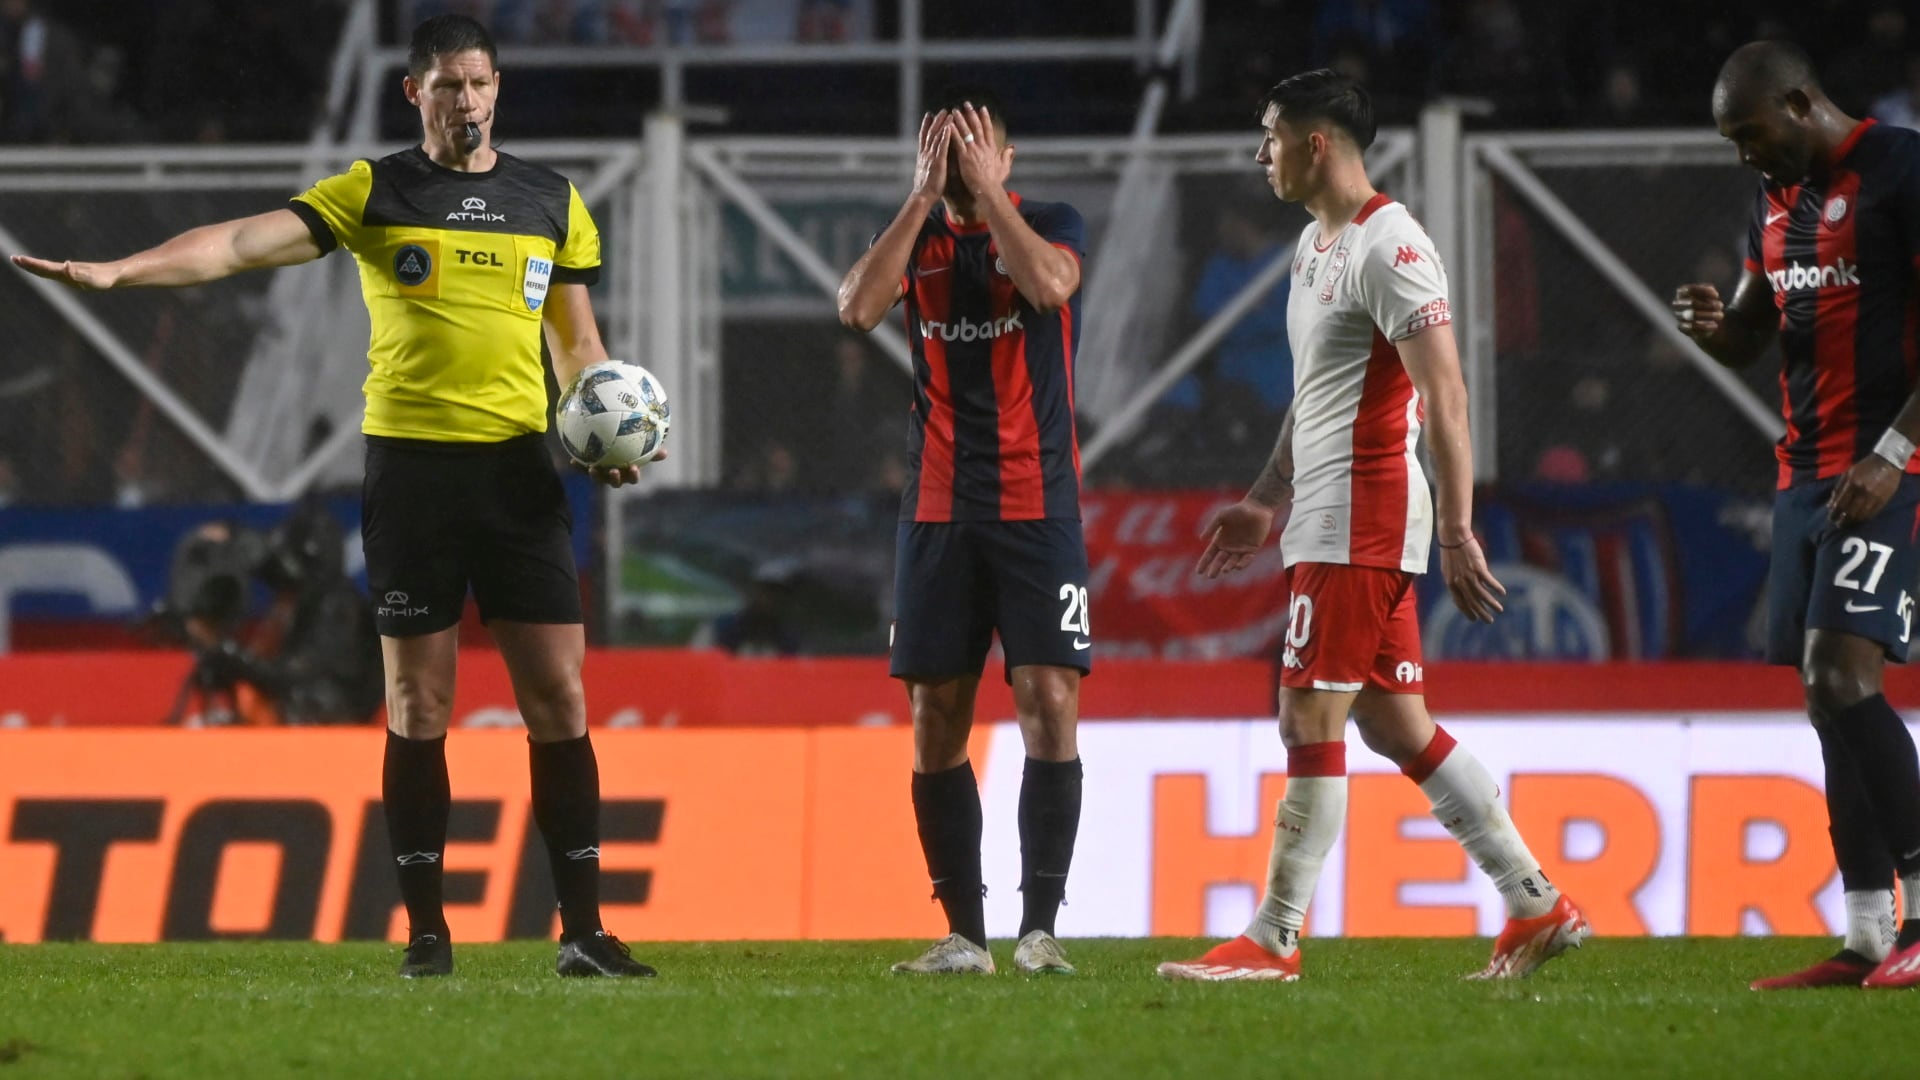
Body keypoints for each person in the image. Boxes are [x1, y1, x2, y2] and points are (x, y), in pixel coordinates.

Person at [12, 14, 655, 980]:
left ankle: (585, 933)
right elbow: (237, 244)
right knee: (417, 701)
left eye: (481, 83)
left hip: (520, 474)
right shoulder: (375, 189)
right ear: (415, 93)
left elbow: (579, 345)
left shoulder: (552, 200)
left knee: (559, 697)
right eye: (448, 85)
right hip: (413, 474)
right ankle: (429, 935)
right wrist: (123, 270)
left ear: (497, 88)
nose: (468, 101)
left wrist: (599, 428)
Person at [1156, 70, 1590, 983]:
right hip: (1321, 508)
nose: (1259, 153)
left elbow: (1446, 391)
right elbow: (1315, 394)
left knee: (1306, 712)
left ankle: (1273, 939)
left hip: (1363, 507)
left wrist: (1464, 529)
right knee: (1396, 725)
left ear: (1318, 143)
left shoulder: (1391, 246)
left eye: (1270, 135)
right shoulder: (1316, 247)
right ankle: (1535, 901)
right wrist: (1265, 496)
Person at [1673, 40, 1920, 990]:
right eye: (1730, 141)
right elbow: (1751, 330)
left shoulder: (1900, 168)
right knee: (1825, 702)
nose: (1744, 153)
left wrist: (1893, 457)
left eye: (1750, 132)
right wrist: (1716, 328)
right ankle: (1867, 937)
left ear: (1802, 100)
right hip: (1806, 475)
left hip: (1894, 466)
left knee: (1841, 675)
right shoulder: (1772, 203)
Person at [838, 88, 1088, 976]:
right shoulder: (914, 237)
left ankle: (1042, 929)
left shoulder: (1051, 222)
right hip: (938, 508)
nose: (960, 170)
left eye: (975, 153)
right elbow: (856, 310)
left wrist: (986, 197)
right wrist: (921, 197)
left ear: (1006, 160)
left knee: (1048, 702)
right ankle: (963, 936)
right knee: (935, 715)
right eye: (944, 155)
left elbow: (1050, 287)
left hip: (1037, 504)